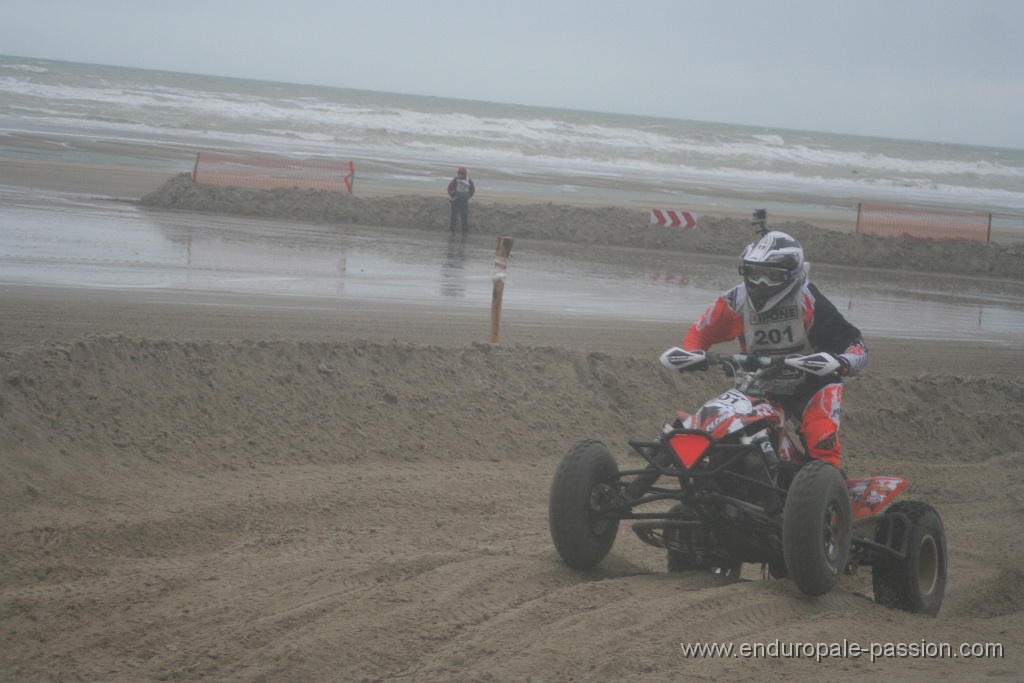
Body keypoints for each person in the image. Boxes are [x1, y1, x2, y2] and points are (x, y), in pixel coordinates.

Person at [681, 218, 867, 469]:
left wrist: (842, 362)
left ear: (791, 275)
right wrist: (692, 353)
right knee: (726, 431)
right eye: (755, 274)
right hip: (761, 384)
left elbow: (857, 345)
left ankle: (826, 494)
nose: (761, 283)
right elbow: (701, 332)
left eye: (771, 276)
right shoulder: (736, 300)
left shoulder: (810, 302)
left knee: (822, 444)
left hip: (811, 385)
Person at [447, 167, 475, 233]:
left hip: (464, 202)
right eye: (459, 174)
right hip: (455, 201)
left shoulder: (469, 181)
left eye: (461, 174)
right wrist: (452, 194)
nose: (460, 175)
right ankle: (452, 230)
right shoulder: (455, 180)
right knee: (453, 216)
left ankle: (465, 231)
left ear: (464, 174)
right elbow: (449, 188)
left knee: (464, 217)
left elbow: (472, 190)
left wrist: (468, 196)